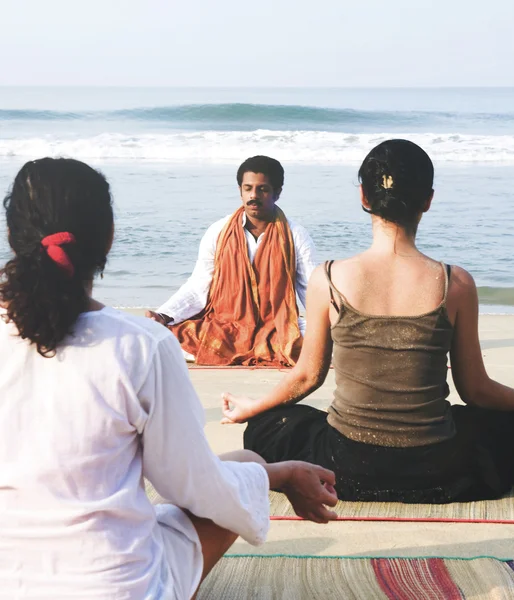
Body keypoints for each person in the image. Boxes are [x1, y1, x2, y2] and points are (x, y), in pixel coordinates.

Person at [0, 158, 337, 599]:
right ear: (109, 237)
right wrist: (280, 473)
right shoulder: (143, 345)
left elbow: (305, 286)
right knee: (247, 467)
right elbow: (191, 486)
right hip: (116, 587)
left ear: (12, 237)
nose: (255, 196)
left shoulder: (291, 234)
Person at [221, 139, 514, 503]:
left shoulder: (328, 279)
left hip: (346, 464)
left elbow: (306, 378)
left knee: (266, 428)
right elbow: (476, 391)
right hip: (438, 464)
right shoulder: (456, 283)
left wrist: (251, 407)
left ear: (364, 197)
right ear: (428, 201)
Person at [147, 156, 318, 367]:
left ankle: (258, 346)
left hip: (276, 325)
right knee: (167, 337)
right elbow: (199, 285)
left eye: (262, 189)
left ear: (277, 192)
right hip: (226, 325)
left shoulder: (295, 235)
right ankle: (254, 348)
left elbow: (311, 289)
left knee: (312, 338)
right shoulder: (218, 231)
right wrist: (163, 315)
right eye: (248, 188)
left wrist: (337, 324)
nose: (254, 196)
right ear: (240, 190)